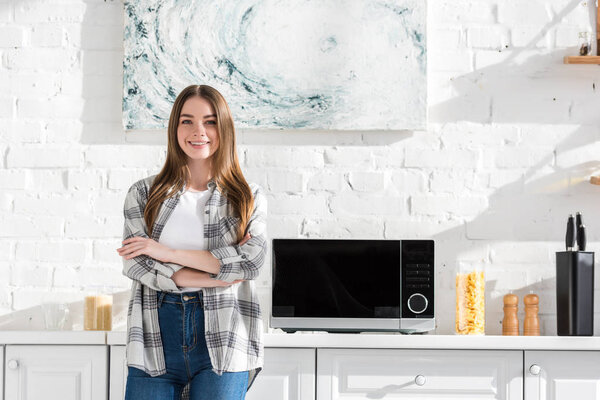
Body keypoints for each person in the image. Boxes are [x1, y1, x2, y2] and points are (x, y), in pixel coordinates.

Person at [116, 84, 267, 400]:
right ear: (175, 128)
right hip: (154, 339)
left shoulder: (245, 197)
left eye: (210, 121)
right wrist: (215, 276)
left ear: (223, 128)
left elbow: (251, 262)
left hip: (224, 340)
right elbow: (136, 263)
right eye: (187, 121)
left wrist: (166, 253)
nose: (199, 131)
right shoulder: (143, 194)